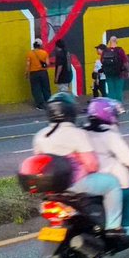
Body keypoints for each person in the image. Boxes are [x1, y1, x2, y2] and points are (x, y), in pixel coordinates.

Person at [32, 93, 123, 234]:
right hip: (76, 184)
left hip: (51, 188)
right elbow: (92, 165)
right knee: (113, 184)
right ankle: (113, 226)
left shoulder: (40, 135)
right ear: (71, 112)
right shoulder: (77, 133)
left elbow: (38, 161)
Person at [82, 97, 129, 235]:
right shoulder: (109, 134)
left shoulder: (82, 132)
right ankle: (128, 225)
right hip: (108, 179)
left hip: (84, 180)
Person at [101, 35, 129, 102]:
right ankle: (118, 105)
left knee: (111, 90)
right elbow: (125, 61)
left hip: (108, 74)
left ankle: (111, 106)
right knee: (118, 90)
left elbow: (102, 61)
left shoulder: (105, 51)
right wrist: (127, 71)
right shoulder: (120, 50)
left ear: (109, 42)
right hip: (119, 73)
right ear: (117, 41)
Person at [26, 39, 52, 109]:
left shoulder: (30, 53)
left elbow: (28, 64)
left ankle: (40, 104)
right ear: (40, 45)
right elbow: (47, 64)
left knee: (36, 89)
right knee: (46, 87)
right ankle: (48, 101)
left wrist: (26, 73)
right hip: (43, 73)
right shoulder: (44, 53)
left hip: (33, 73)